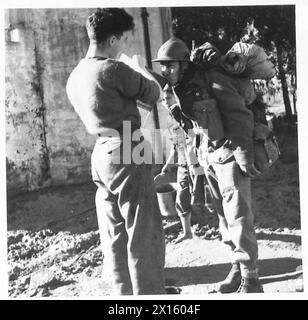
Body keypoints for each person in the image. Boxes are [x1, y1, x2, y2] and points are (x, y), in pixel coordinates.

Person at [66, 8, 166, 295]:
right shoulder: (113, 69)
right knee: (143, 229)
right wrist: (138, 68)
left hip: (101, 153)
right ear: (112, 39)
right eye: (123, 40)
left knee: (114, 233)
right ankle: (149, 295)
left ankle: (123, 294)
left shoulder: (76, 76)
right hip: (127, 149)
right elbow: (154, 93)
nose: (124, 46)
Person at [153, 37, 264, 293]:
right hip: (208, 156)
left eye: (170, 65)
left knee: (238, 216)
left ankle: (252, 279)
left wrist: (244, 154)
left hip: (229, 155)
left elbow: (239, 115)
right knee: (223, 218)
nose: (165, 70)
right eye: (163, 66)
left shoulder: (212, 79)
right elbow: (190, 127)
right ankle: (237, 269)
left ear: (183, 64)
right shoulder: (176, 89)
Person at [160, 85, 195, 243]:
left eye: (168, 98)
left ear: (176, 98)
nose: (165, 102)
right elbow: (176, 146)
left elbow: (195, 137)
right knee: (182, 197)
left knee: (211, 196)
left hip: (196, 162)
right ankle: (187, 232)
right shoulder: (172, 119)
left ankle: (228, 229)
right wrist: (168, 165)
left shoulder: (184, 114)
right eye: (164, 99)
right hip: (183, 165)